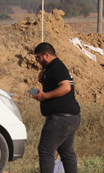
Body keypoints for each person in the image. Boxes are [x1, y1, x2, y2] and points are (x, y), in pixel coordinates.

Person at [31, 42, 81, 173]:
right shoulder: (53, 68)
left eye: (38, 57)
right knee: (66, 153)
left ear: (46, 55)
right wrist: (43, 80)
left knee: (45, 150)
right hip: (70, 117)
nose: (37, 61)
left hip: (60, 118)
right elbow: (57, 85)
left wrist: (44, 96)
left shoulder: (56, 67)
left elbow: (65, 87)